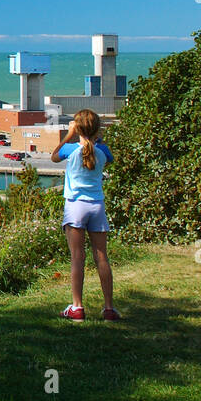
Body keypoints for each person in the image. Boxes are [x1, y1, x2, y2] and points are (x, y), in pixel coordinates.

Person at [50, 109, 120, 321]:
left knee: (77, 258)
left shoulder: (70, 149)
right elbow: (111, 158)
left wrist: (69, 135)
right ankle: (109, 308)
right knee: (101, 257)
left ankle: (77, 307)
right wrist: (97, 137)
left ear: (77, 128)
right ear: (97, 129)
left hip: (75, 207)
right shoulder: (102, 151)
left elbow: (53, 157)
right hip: (97, 206)